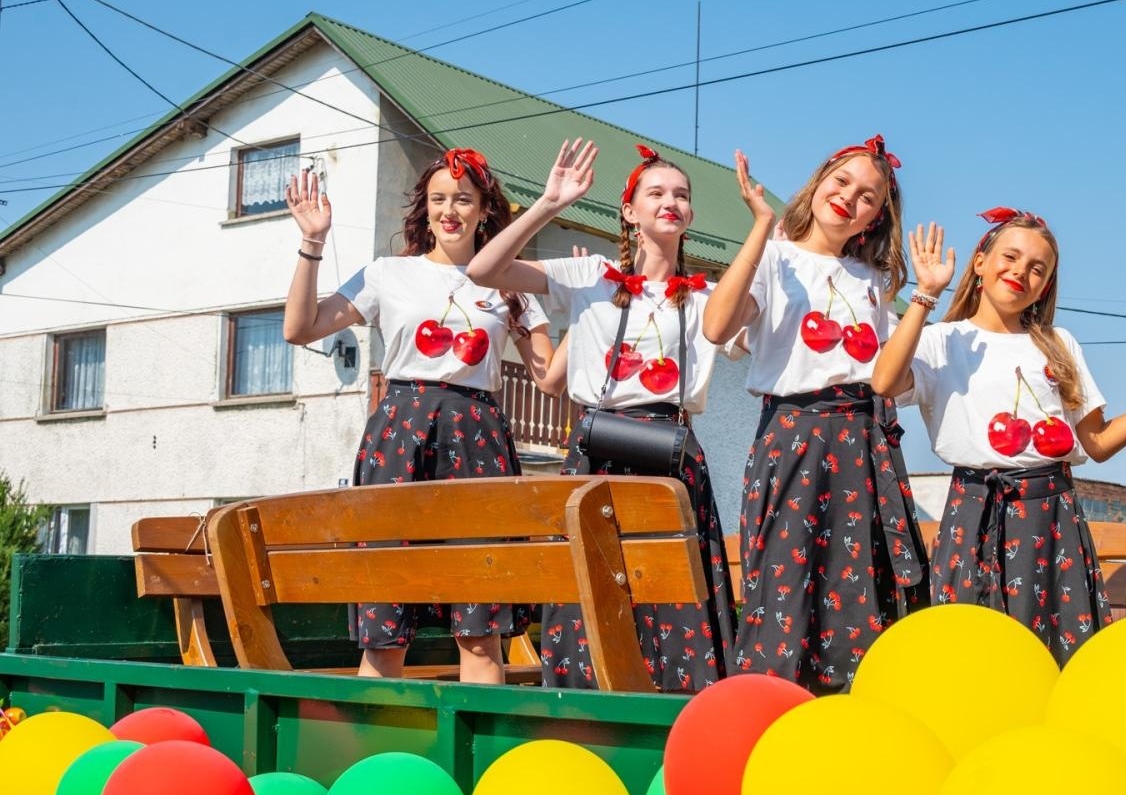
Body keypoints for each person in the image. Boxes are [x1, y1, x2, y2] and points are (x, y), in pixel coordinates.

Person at [466, 142, 737, 692]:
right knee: (590, 591)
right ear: (629, 212)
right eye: (656, 192)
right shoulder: (592, 275)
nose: (671, 202)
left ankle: (678, 709)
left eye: (681, 195)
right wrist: (548, 204)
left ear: (690, 216)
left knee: (677, 591)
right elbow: (483, 268)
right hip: (598, 446)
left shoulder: (709, 295)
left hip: (672, 451)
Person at [283, 147, 557, 684]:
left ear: (485, 210)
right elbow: (300, 327)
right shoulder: (388, 273)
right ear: (424, 209)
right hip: (397, 437)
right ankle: (376, 762)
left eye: (463, 199)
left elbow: (549, 376)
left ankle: (481, 761)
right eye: (438, 199)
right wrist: (312, 242)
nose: (449, 210)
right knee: (385, 633)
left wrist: (596, 303)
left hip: (477, 439)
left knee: (480, 636)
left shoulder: (511, 282)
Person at [873, 209, 1126, 664]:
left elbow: (1097, 443)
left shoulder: (1059, 344)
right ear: (980, 262)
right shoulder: (944, 340)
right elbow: (884, 382)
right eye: (1011, 256)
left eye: (1039, 269)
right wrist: (925, 295)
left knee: (1055, 653)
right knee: (972, 653)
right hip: (974, 512)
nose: (1021, 272)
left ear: (1046, 285)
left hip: (1051, 517)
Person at [702, 136, 926, 691]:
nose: (850, 197)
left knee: (861, 594)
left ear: (877, 218)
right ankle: (769, 716)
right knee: (785, 585)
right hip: (794, 437)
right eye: (843, 181)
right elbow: (716, 326)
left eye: (869, 196)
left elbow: (898, 373)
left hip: (866, 444)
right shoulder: (775, 258)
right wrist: (759, 227)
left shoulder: (876, 286)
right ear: (820, 180)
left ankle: (852, 719)